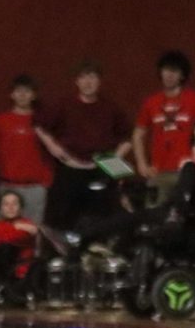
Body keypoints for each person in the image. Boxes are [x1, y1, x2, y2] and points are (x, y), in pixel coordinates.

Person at [35, 59, 131, 229]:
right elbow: (39, 127)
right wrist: (53, 147)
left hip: (100, 168)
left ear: (99, 81)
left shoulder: (110, 107)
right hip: (70, 168)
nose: (88, 82)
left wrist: (114, 159)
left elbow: (128, 137)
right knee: (63, 218)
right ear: (77, 81)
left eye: (92, 77)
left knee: (102, 216)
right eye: (84, 78)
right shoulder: (64, 104)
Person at [132, 50, 195, 205]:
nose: (169, 75)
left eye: (174, 71)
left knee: (185, 214)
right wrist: (142, 164)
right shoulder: (151, 102)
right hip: (159, 172)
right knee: (153, 215)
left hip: (186, 171)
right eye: (166, 70)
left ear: (182, 75)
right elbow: (138, 134)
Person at [0, 74, 52, 226]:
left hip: (34, 187)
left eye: (27, 91)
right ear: (12, 94)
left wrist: (46, 181)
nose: (22, 95)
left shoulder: (43, 122)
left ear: (34, 95)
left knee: (31, 232)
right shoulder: (0, 121)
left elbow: (50, 153)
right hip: (5, 185)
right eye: (18, 91)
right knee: (4, 233)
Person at [0, 190, 38, 304]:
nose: (10, 207)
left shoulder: (27, 223)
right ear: (0, 208)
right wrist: (16, 227)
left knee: (6, 248)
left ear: (20, 207)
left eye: (14, 204)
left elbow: (14, 238)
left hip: (19, 273)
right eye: (6, 204)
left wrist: (10, 230)